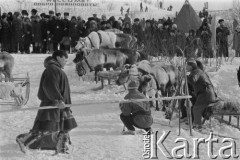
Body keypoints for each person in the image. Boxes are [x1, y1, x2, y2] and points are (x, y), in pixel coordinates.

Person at [16, 50, 77, 154]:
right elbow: (49, 87)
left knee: (61, 128)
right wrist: (57, 100)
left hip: (60, 105)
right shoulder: (52, 69)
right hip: (52, 105)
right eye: (64, 59)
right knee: (45, 129)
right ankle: (25, 142)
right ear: (58, 58)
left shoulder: (55, 69)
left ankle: (60, 145)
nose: (66, 61)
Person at [186, 59, 217, 130]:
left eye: (187, 66)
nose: (186, 67)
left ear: (191, 66)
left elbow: (193, 80)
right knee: (196, 108)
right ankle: (197, 123)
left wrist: (186, 76)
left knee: (196, 108)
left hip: (206, 94)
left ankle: (197, 125)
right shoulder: (198, 71)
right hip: (206, 93)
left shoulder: (196, 72)